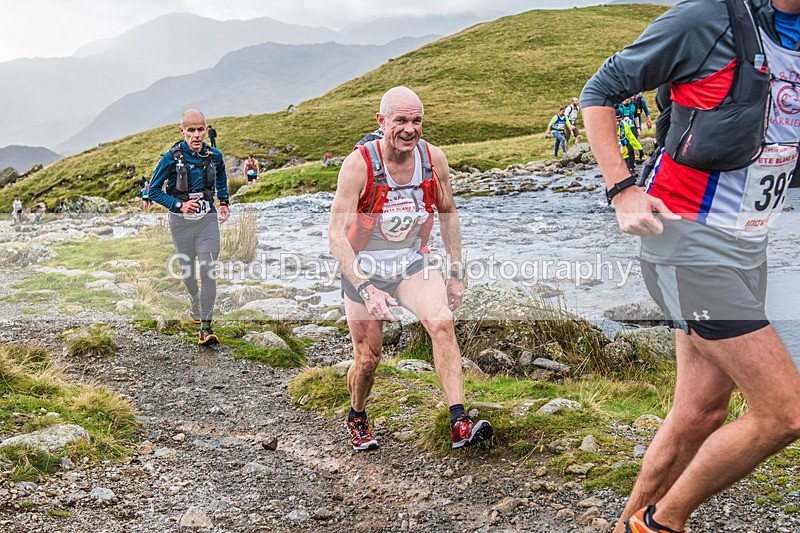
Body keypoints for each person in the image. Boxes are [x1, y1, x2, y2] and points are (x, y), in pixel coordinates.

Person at [582, 1, 800, 532]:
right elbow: (599, 92)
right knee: (785, 412)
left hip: (751, 246)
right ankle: (662, 524)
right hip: (686, 242)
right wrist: (622, 190)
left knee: (700, 413)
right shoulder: (707, 20)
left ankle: (628, 527)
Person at [328, 86, 493, 452]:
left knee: (442, 323)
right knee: (368, 360)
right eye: (400, 120)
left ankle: (459, 422)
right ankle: (357, 414)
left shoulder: (433, 160)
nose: (409, 129)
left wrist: (455, 273)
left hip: (411, 263)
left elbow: (448, 215)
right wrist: (366, 288)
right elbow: (335, 234)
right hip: (365, 270)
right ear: (381, 121)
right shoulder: (358, 165)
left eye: (416, 120)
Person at [148, 109, 230, 346]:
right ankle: (194, 298)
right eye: (191, 130)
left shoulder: (215, 155)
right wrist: (178, 205)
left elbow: (222, 176)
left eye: (200, 129)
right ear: (182, 130)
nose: (196, 135)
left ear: (206, 129)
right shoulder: (170, 158)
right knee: (187, 271)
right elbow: (152, 191)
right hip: (180, 224)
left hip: (207, 221)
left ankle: (206, 327)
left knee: (208, 270)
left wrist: (223, 202)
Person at [616, 108, 642, 175]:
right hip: (613, 157)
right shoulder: (607, 127)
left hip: (624, 156)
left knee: (627, 177)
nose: (617, 123)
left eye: (619, 120)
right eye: (615, 121)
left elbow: (632, 138)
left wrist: (640, 149)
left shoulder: (624, 126)